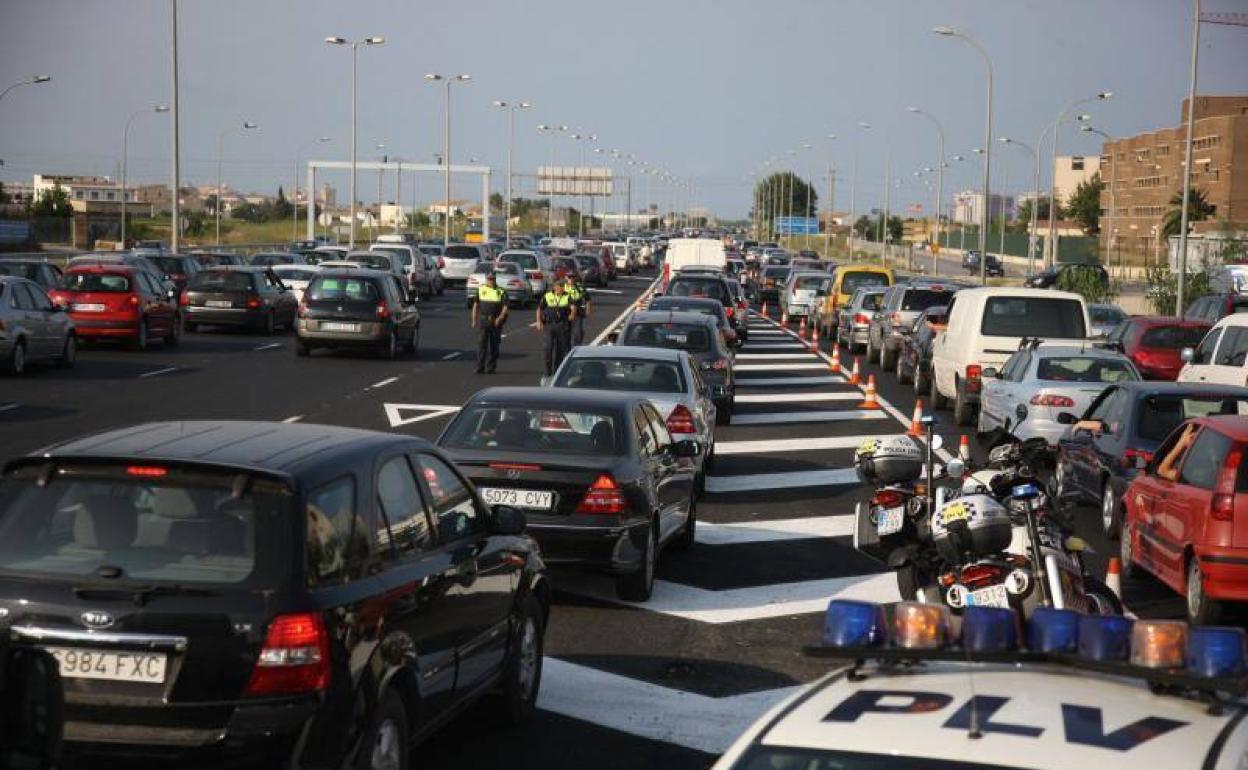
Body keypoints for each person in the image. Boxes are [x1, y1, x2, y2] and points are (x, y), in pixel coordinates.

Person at [471, 270, 509, 374]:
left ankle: (491, 367)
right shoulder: (480, 290)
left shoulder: (501, 291)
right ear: (486, 279)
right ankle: (480, 366)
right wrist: (474, 319)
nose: (491, 281)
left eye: (493, 279)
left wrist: (500, 317)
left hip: (496, 321)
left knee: (494, 345)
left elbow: (505, 307)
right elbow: (476, 305)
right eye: (489, 279)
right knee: (482, 344)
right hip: (484, 320)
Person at [537, 278, 575, 377]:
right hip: (549, 325)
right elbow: (539, 309)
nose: (560, 288)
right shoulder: (547, 296)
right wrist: (538, 321)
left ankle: (556, 371)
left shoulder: (567, 296)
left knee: (561, 349)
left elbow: (573, 308)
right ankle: (547, 371)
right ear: (554, 287)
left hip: (562, 325)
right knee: (548, 348)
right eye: (558, 286)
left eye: (562, 286)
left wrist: (572, 314)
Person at [566, 272, 591, 346]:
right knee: (565, 332)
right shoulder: (562, 287)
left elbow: (588, 299)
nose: (571, 279)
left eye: (573, 277)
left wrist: (588, 310)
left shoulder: (580, 287)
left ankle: (577, 345)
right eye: (569, 277)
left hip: (578, 312)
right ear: (566, 278)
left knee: (579, 331)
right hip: (565, 312)